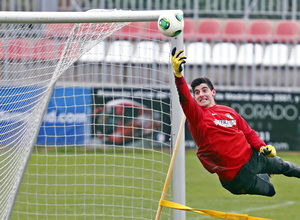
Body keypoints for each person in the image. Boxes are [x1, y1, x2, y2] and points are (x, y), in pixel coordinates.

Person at [171, 47, 300, 197]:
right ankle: (265, 174)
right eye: (197, 92)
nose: (201, 94)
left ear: (213, 92)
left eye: (204, 90)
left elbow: (248, 132)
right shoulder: (197, 116)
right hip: (236, 177)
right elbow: (184, 98)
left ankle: (268, 168)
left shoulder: (228, 111)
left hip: (253, 157)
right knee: (270, 191)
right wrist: (178, 76)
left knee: (284, 166)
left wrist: (263, 147)